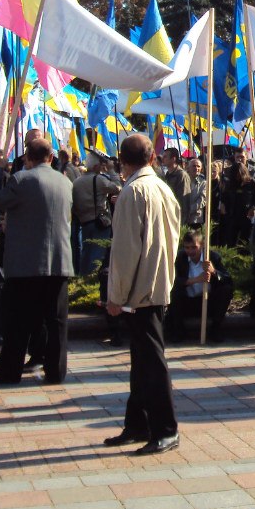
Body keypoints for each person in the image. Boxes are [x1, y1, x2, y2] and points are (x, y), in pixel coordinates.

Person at [103, 134, 182, 455]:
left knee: (151, 359)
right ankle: (138, 423)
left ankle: (166, 428)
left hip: (139, 288)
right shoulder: (162, 188)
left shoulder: (133, 191)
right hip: (157, 282)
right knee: (142, 358)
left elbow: (125, 252)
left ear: (122, 161)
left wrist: (116, 295)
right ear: (152, 158)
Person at [0, 137, 75, 385]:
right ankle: (56, 372)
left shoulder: (22, 179)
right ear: (50, 158)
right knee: (55, 322)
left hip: (26, 263)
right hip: (58, 262)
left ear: (27, 158)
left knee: (17, 321)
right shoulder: (65, 182)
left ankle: (10, 371)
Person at [166, 230, 234, 344]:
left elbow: (228, 280)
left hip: (208, 302)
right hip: (187, 303)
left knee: (226, 290)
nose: (190, 251)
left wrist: (214, 271)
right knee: (175, 292)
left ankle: (215, 329)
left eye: (194, 247)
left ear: (202, 245)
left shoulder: (213, 257)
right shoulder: (180, 258)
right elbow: (173, 280)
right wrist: (196, 280)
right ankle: (178, 331)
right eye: (187, 248)